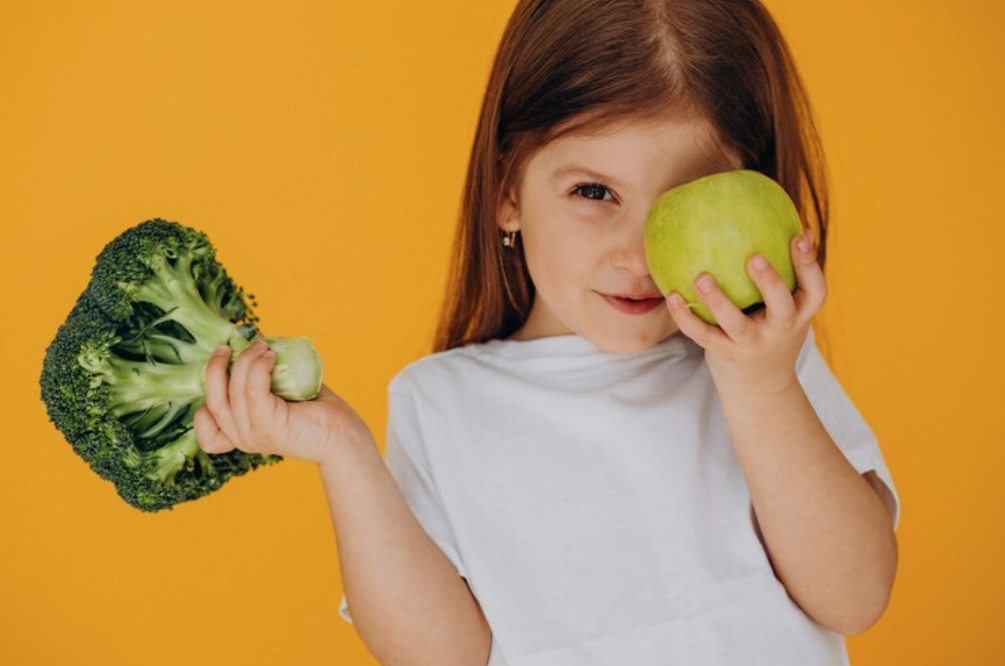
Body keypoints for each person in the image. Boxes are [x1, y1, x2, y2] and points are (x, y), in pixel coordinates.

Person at [193, 0, 901, 664]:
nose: (639, 253)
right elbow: (441, 655)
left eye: (683, 200)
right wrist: (344, 453)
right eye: (594, 193)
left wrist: (762, 382)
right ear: (507, 192)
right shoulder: (443, 402)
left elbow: (853, 595)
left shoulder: (761, 357)